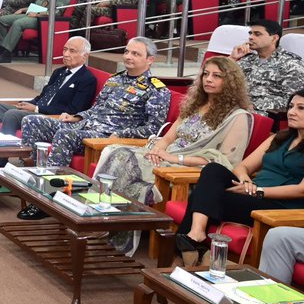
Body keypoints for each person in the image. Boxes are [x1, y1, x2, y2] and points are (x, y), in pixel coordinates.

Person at [95, 57, 253, 255]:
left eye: (217, 76)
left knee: (124, 158)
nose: (208, 79)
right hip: (166, 156)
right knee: (115, 150)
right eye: (205, 74)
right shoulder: (196, 105)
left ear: (230, 81)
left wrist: (173, 159)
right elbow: (168, 137)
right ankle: (103, 219)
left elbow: (222, 162)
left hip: (188, 170)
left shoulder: (237, 117)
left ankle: (106, 224)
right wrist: (157, 150)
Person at [17, 37, 170, 219]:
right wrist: (77, 116)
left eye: (135, 53)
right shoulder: (115, 80)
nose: (128, 56)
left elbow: (152, 129)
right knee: (32, 120)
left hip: (106, 137)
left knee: (65, 135)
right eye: (127, 52)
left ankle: (49, 196)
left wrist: (120, 134)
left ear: (150, 59)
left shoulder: (157, 90)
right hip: (85, 125)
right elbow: (96, 109)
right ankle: (31, 181)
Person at [175, 90, 304, 264]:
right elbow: (243, 166)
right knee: (213, 169)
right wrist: (246, 181)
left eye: (300, 108)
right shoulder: (279, 138)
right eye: (291, 106)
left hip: (277, 206)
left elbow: (300, 190)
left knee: (201, 196)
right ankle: (196, 234)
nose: (291, 112)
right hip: (251, 192)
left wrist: (258, 191)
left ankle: (185, 248)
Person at [0, 36, 95, 135]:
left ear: (85, 56)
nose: (65, 54)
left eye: (72, 51)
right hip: (37, 110)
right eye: (65, 50)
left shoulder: (87, 79)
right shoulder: (59, 72)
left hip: (53, 117)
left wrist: (36, 108)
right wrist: (30, 103)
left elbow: (73, 111)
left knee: (12, 114)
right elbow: (43, 97)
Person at [230, 19, 304, 116]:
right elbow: (222, 80)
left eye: (257, 34)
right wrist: (232, 58)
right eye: (250, 33)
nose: (251, 37)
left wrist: (254, 104)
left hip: (262, 114)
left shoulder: (291, 64)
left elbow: (292, 101)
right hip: (236, 108)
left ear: (274, 38)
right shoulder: (248, 59)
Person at [0, 0, 70, 62]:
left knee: (18, 23)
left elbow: (56, 12)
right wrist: (23, 9)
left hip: (44, 19)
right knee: (1, 20)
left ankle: (6, 53)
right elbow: (37, 5)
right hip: (33, 14)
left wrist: (37, 14)